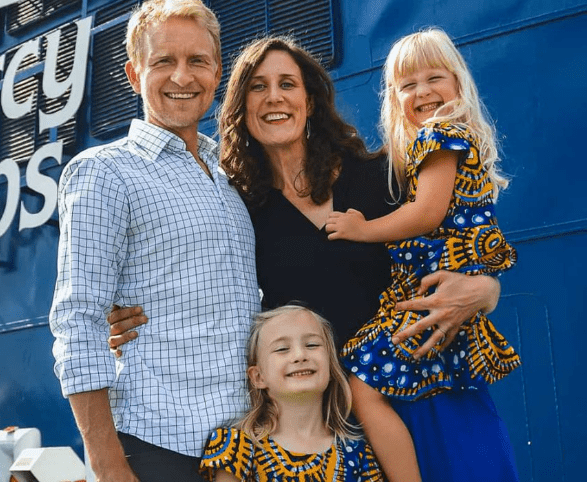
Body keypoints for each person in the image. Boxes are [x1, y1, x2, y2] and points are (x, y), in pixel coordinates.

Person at [109, 35, 517, 481]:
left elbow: (461, 239)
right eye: (258, 87)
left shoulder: (382, 175)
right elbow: (197, 284)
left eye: (288, 83)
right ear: (241, 107)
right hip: (335, 427)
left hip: (433, 387)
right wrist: (126, 314)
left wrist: (486, 289)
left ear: (310, 100)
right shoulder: (240, 209)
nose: (274, 97)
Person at [48, 1, 260, 481]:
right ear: (133, 73)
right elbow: (78, 319)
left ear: (217, 72)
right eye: (164, 61)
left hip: (240, 445)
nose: (181, 76)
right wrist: (108, 467)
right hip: (157, 445)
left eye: (197, 61)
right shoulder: (105, 172)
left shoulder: (228, 180)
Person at [324, 28, 520, 481]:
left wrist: (362, 229)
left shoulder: (439, 138)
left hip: (429, 294)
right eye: (407, 85)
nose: (423, 91)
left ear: (459, 82)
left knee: (361, 381)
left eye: (434, 77)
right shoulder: (453, 140)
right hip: (439, 292)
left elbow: (426, 214)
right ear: (394, 97)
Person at [199, 304, 384, 482]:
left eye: (312, 345)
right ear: (258, 377)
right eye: (282, 349)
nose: (299, 355)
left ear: (330, 367)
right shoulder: (237, 446)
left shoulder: (358, 454)